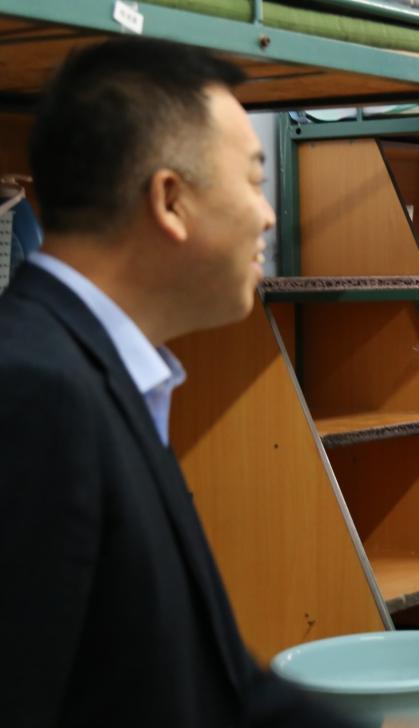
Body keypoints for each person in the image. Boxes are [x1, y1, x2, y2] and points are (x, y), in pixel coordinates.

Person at [0, 37, 347, 726]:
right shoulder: (33, 393)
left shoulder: (103, 375)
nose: (268, 215)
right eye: (252, 180)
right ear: (170, 199)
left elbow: (217, 687)